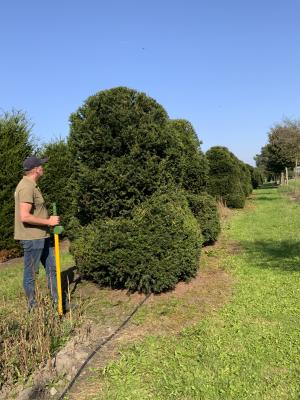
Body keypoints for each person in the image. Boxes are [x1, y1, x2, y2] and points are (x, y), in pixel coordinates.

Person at [14, 155, 60, 310]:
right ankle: (33, 310)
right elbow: (25, 216)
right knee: (31, 275)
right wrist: (49, 222)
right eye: (41, 165)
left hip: (42, 236)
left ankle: (58, 303)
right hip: (32, 239)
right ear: (35, 169)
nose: (43, 167)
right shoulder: (26, 187)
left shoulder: (32, 185)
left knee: (52, 270)